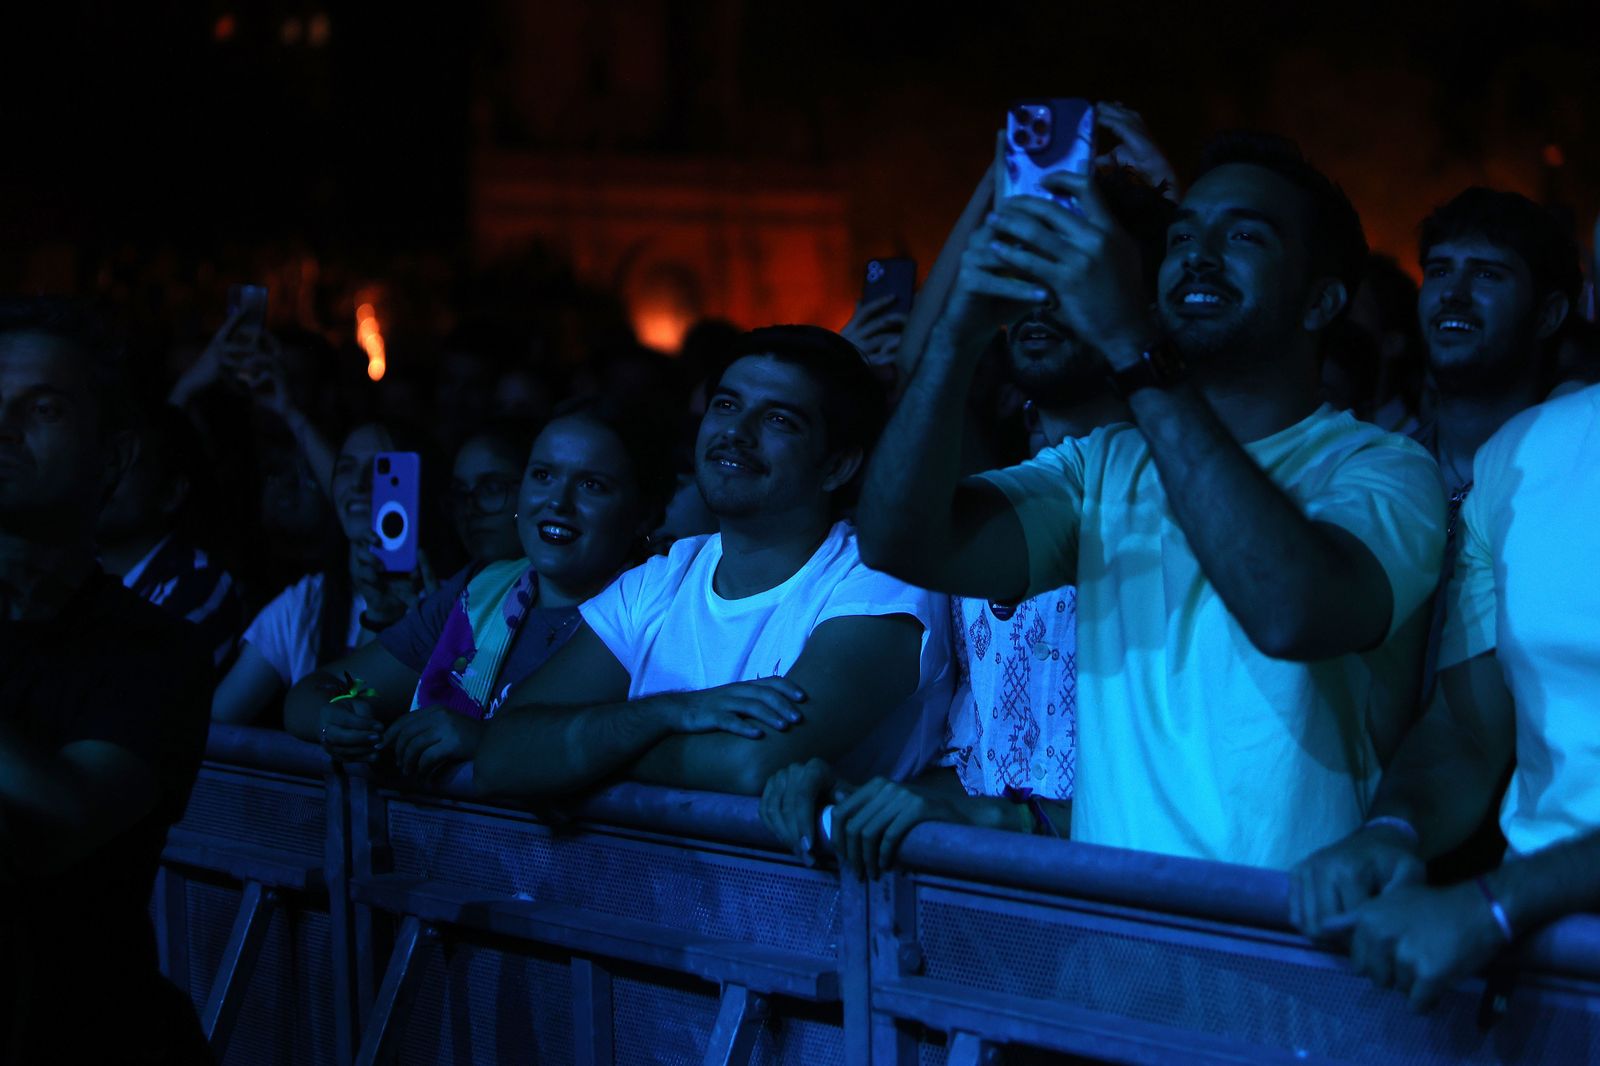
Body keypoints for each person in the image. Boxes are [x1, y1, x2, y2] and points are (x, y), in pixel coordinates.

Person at [855, 131, 1446, 870]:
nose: (1199, 256)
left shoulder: (1382, 468)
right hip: (1116, 924)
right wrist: (959, 334)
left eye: (1243, 237)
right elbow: (901, 540)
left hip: (1281, 930)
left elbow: (1291, 613)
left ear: (1320, 300)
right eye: (1182, 238)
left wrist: (1133, 346)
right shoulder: (1104, 465)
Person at [763, 160, 1175, 878]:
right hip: (986, 904)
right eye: (1027, 273)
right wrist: (862, 792)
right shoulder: (990, 498)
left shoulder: (1185, 507)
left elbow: (1190, 785)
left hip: (1133, 907)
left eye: (1071, 275)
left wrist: (1013, 822)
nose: (1040, 301)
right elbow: (984, 766)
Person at [474, 326, 953, 806]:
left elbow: (751, 763)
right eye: (725, 405)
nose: (736, 433)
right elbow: (502, 753)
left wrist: (591, 753)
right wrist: (668, 712)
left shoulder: (878, 578)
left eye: (779, 420)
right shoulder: (658, 581)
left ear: (837, 466)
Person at [1290, 382, 1600, 1011]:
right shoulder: (1525, 449)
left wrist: (1497, 903)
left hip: (1511, 917)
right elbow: (1466, 731)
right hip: (1537, 966)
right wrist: (1392, 829)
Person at [0, 299, 211, 1061]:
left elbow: (57, 822)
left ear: (113, 458)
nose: (4, 428)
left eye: (43, 408)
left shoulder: (151, 650)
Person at [284, 399, 672, 780]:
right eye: (543, 475)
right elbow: (315, 693)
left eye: (591, 485)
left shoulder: (654, 614)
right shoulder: (480, 593)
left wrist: (485, 743)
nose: (558, 501)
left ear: (644, 513)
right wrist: (334, 719)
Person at [211, 420, 449, 725]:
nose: (358, 484)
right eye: (346, 468)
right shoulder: (305, 603)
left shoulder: (450, 602)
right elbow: (218, 722)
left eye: (381, 470)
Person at [97, 401, 244, 671]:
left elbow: (129, 683)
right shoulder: (72, 569)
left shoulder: (201, 584)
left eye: (125, 462)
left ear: (172, 493)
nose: (105, 475)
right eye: (102, 458)